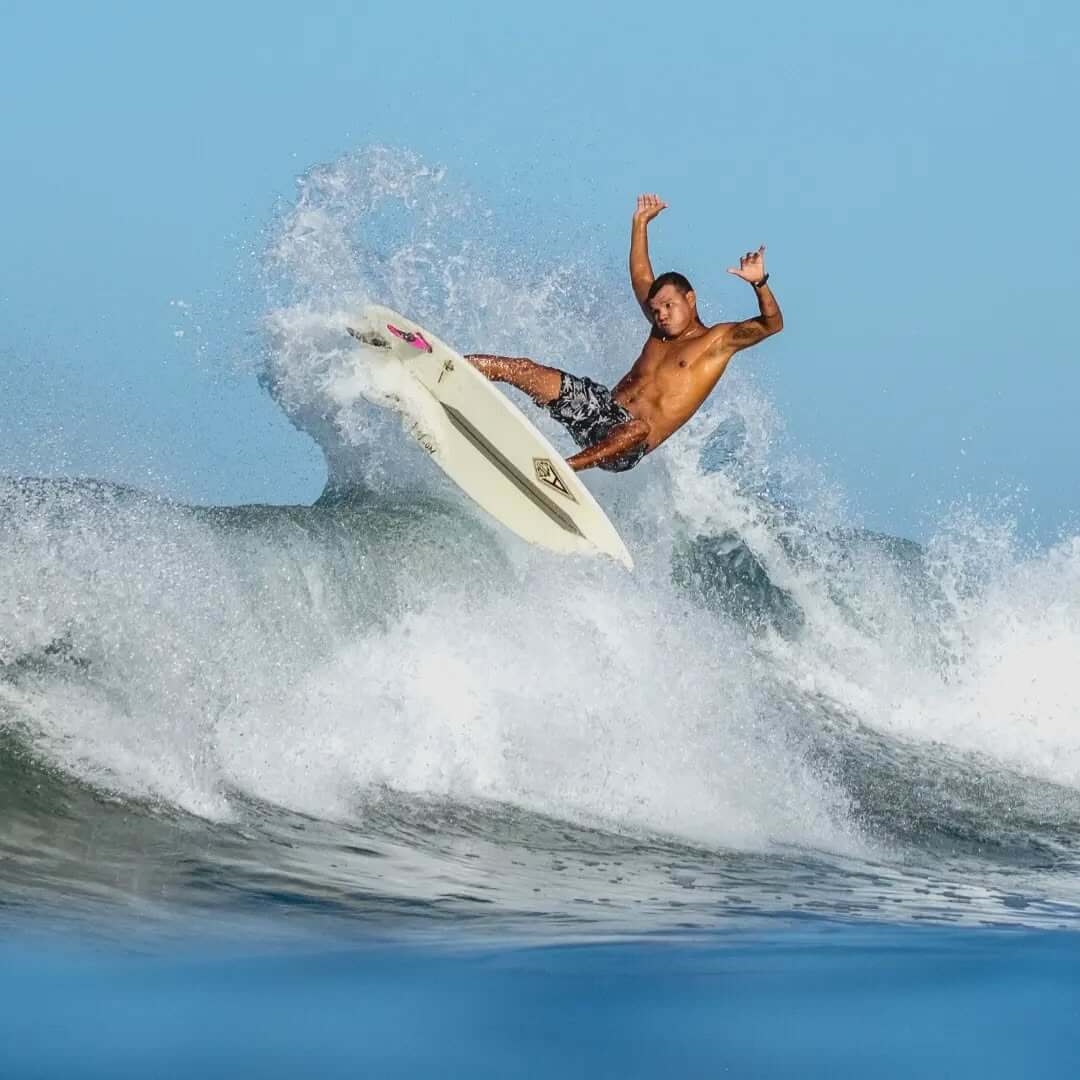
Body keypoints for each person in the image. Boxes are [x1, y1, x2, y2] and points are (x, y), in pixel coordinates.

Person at [466, 193, 783, 472]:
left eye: (668, 306)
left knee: (637, 429)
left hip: (626, 448)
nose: (660, 314)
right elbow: (641, 274)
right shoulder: (657, 328)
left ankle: (562, 469)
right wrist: (640, 223)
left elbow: (772, 325)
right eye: (656, 309)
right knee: (522, 369)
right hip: (598, 411)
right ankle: (452, 364)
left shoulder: (716, 341)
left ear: (690, 299)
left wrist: (759, 283)